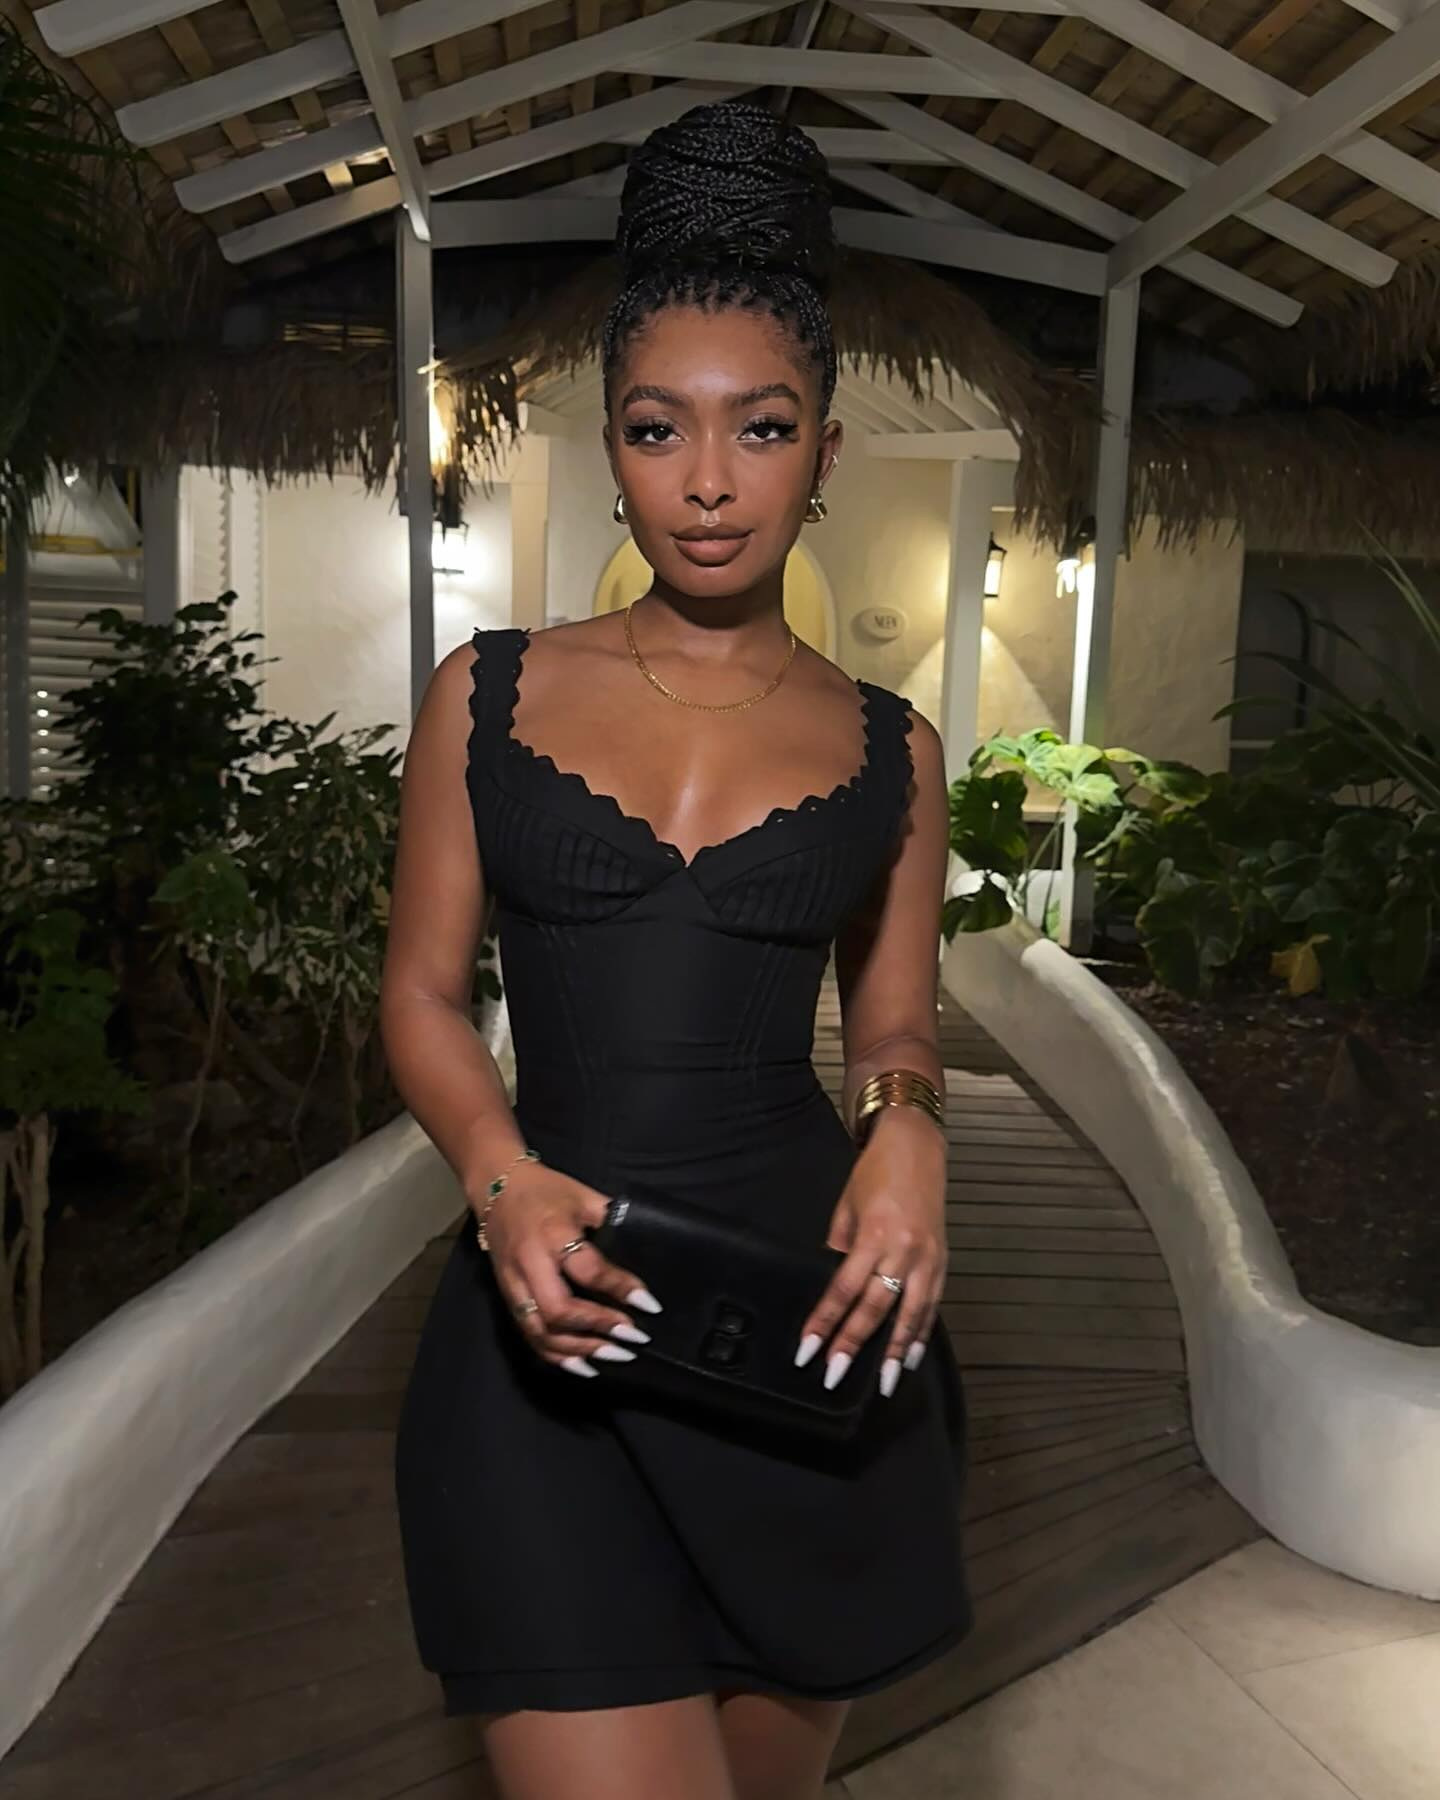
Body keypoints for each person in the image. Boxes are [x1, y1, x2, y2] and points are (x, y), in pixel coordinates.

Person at [379, 99, 971, 1800]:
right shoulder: (489, 694)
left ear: (824, 452)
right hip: (545, 1320)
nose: (708, 482)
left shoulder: (894, 748)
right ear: (614, 444)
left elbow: (895, 1026)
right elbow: (419, 996)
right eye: (659, 430)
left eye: (761, 429)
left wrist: (910, 1134)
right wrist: (500, 1179)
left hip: (798, 1332)